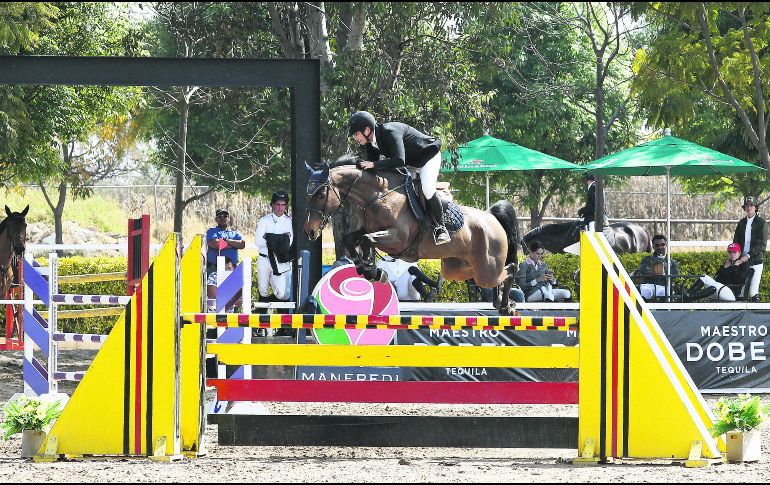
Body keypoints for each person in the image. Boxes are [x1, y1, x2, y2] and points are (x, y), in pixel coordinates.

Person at [348, 110, 450, 245]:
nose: (355, 138)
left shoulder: (389, 132)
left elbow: (399, 160)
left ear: (366, 130)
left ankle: (441, 228)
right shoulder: (370, 144)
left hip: (427, 157)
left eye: (356, 134)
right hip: (412, 162)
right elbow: (373, 171)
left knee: (427, 188)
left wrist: (372, 164)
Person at [255, 191, 294, 303]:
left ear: (286, 206)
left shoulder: (289, 222)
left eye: (283, 205)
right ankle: (262, 316)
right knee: (263, 290)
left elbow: (289, 243)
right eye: (277, 204)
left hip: (280, 260)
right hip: (264, 258)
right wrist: (280, 239)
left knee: (283, 294)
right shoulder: (264, 221)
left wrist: (269, 237)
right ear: (272, 205)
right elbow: (258, 241)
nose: (280, 208)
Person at [684, 243, 750, 302]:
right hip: (719, 289)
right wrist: (724, 267)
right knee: (704, 277)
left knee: (715, 285)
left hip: (731, 294)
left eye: (734, 252)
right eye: (730, 252)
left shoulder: (744, 265)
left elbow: (739, 281)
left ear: (739, 253)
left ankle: (691, 297)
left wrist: (735, 267)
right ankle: (687, 295)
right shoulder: (727, 264)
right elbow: (716, 278)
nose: (732, 254)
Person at [732, 196, 767, 301]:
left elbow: (761, 244)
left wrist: (747, 256)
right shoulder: (741, 223)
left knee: (753, 291)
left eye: (751, 205)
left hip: (755, 260)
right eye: (747, 205)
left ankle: (756, 316)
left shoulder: (762, 223)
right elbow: (736, 241)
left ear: (756, 207)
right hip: (741, 261)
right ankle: (740, 316)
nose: (749, 207)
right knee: (741, 291)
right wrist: (735, 256)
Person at [376, 257, 444, 302]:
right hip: (397, 294)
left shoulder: (408, 260)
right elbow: (376, 283)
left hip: (413, 294)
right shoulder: (382, 260)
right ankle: (434, 284)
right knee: (411, 269)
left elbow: (420, 279)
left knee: (413, 276)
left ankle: (426, 296)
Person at [637, 234, 680, 301]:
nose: (660, 247)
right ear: (653, 247)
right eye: (657, 245)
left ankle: (661, 311)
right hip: (648, 285)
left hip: (663, 286)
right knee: (646, 292)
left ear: (666, 245)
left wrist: (663, 272)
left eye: (662, 244)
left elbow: (676, 272)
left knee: (663, 292)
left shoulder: (671, 261)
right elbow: (643, 270)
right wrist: (655, 272)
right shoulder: (647, 259)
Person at [206, 208, 245, 275]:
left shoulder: (234, 233)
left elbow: (242, 244)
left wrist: (226, 240)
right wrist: (233, 245)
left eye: (225, 216)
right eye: (220, 216)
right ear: (216, 219)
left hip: (232, 268)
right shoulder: (212, 231)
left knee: (231, 285)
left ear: (229, 219)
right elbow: (215, 244)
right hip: (215, 269)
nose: (223, 218)